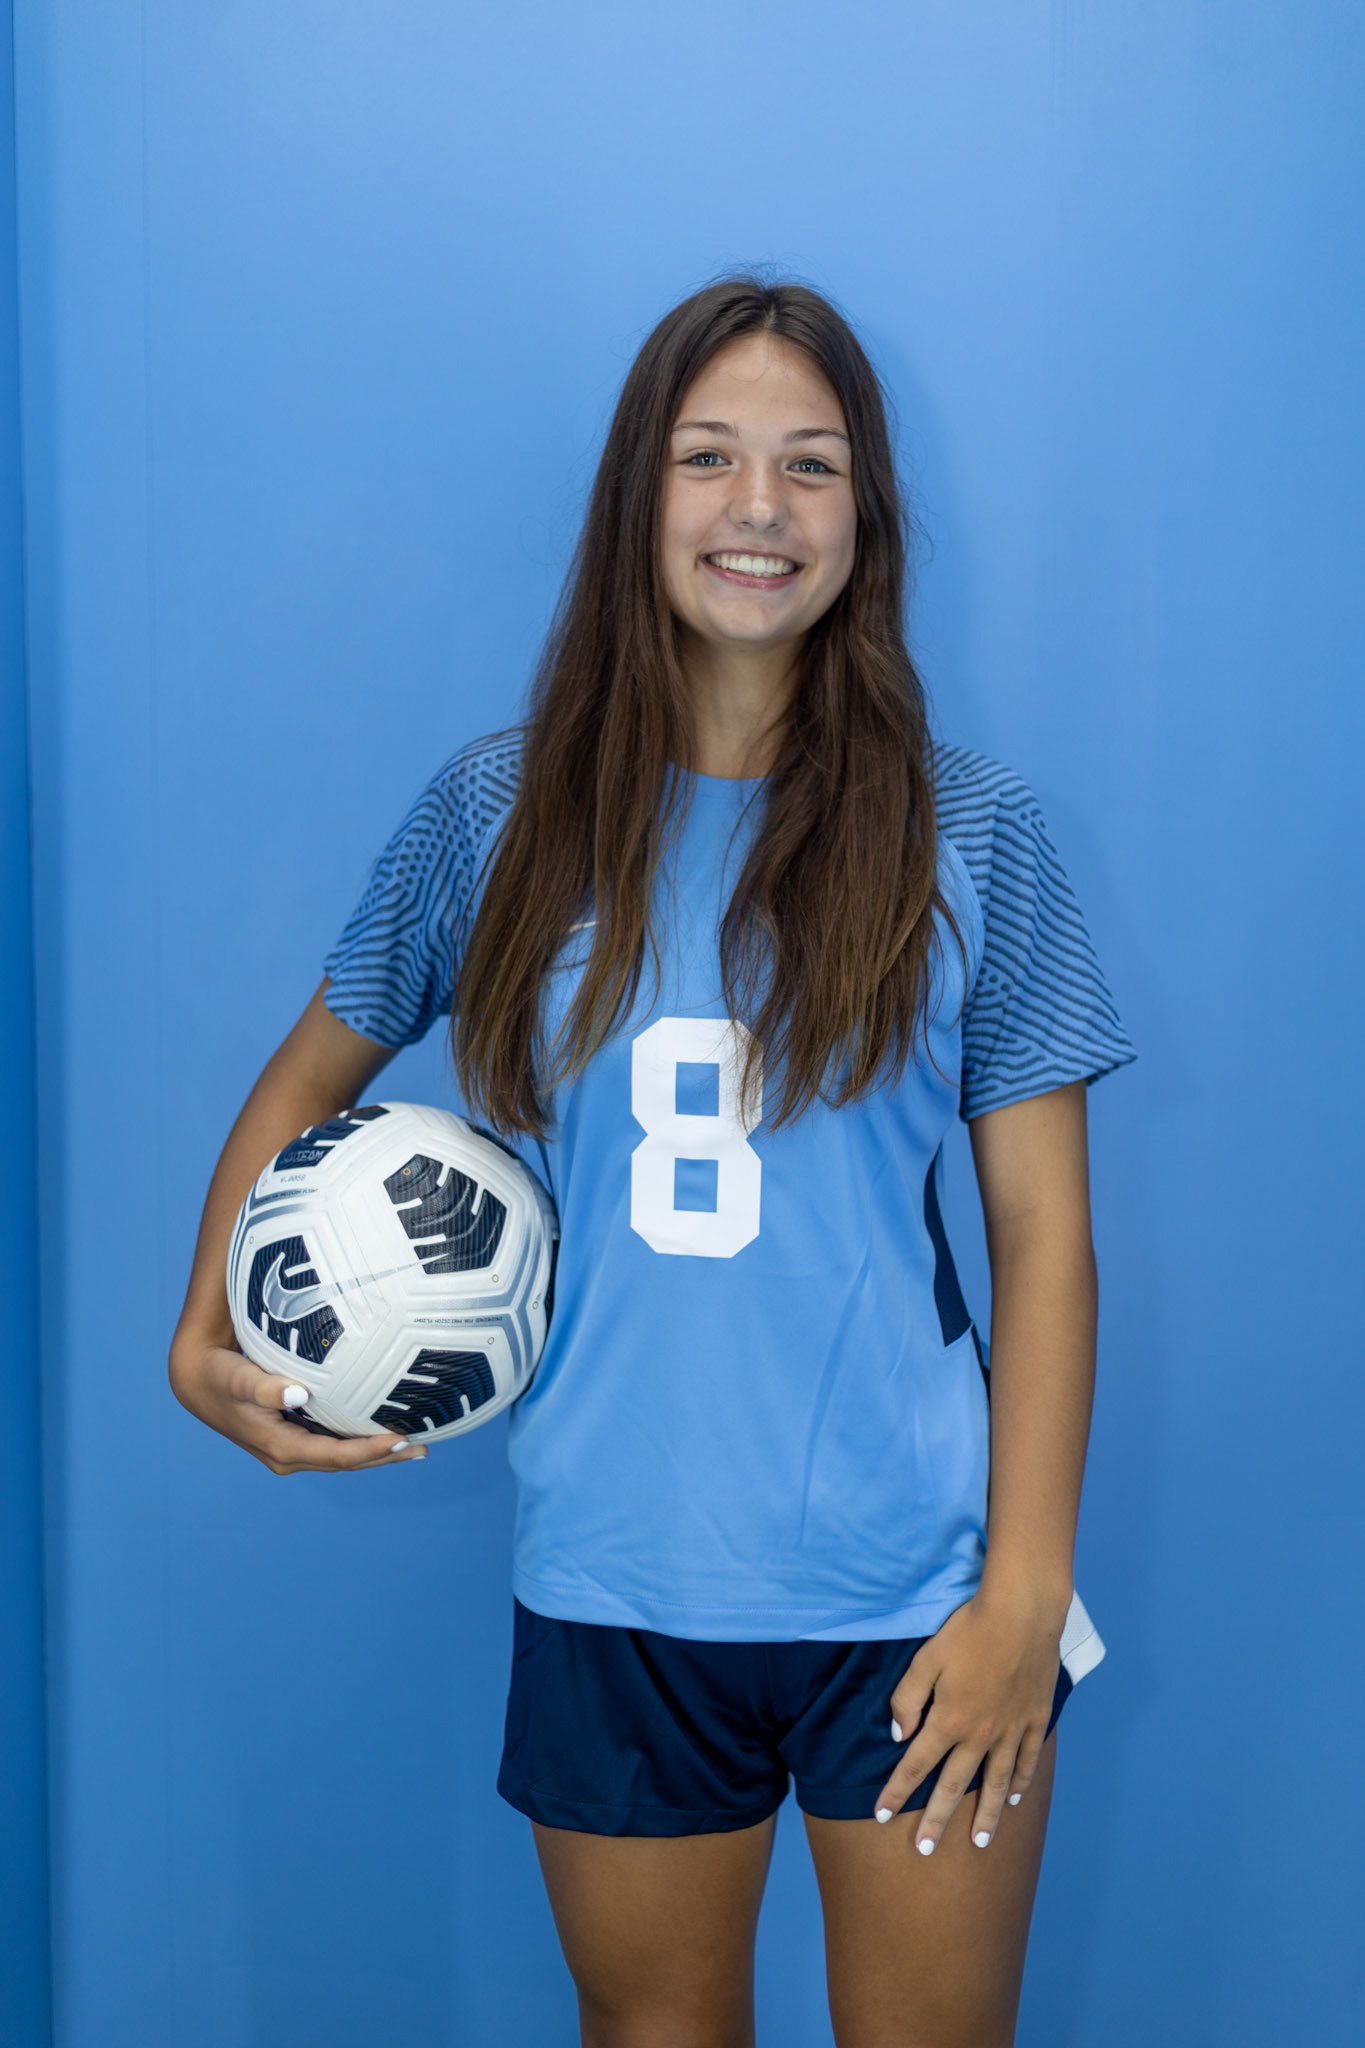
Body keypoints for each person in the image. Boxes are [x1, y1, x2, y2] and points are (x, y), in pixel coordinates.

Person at [170, 276, 1135, 2048]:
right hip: (612, 1584)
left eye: (810, 463)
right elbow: (316, 1067)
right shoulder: (500, 809)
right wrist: (200, 1330)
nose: (758, 506)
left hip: (916, 1601)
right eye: (708, 458)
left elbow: (1041, 1236)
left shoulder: (975, 829)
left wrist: (1019, 1595)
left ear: (869, 517)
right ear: (640, 497)